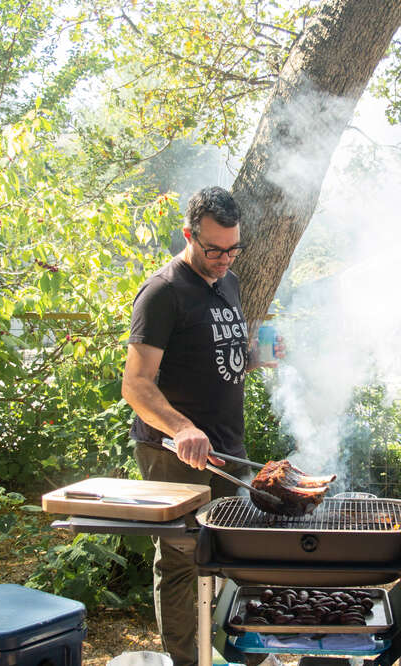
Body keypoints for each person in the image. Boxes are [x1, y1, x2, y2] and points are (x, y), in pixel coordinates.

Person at [121, 185, 280, 666]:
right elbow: (136, 385)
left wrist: (253, 358)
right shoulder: (163, 292)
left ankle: (238, 654)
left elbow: (213, 356)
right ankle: (187, 662)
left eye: (233, 249)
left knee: (232, 554)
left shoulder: (226, 282)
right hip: (173, 451)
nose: (225, 258)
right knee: (180, 561)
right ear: (189, 235)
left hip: (225, 447)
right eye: (214, 249)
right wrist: (181, 428)